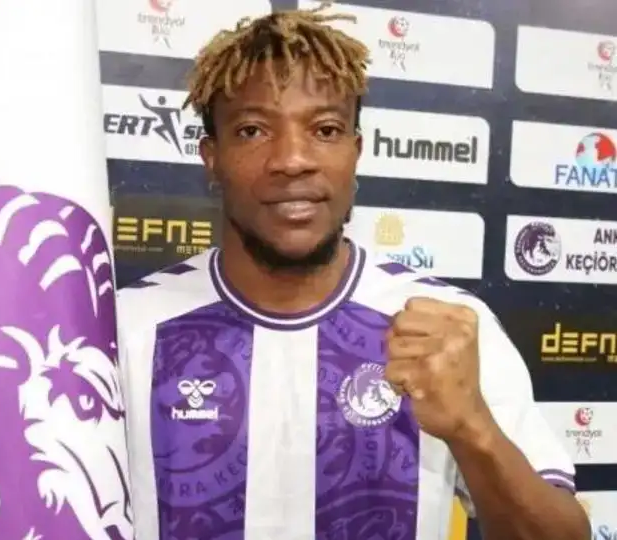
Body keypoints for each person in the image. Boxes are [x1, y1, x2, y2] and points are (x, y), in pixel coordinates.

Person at [115, 4, 591, 539]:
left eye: (325, 129)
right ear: (211, 156)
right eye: (252, 130)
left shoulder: (445, 329)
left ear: (355, 151)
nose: (292, 159)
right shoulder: (125, 331)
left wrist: (472, 427)